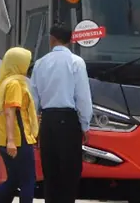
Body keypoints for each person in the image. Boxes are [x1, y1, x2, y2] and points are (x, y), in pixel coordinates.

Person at [30, 24, 93, 203]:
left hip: (47, 119)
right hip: (68, 119)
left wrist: (34, 127)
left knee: (50, 171)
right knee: (70, 171)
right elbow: (83, 97)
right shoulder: (76, 62)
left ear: (52, 39)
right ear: (71, 40)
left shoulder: (40, 63)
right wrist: (85, 125)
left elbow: (33, 98)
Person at [0, 47, 39, 203]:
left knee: (13, 181)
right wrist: (12, 141)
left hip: (8, 139)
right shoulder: (15, 84)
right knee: (28, 180)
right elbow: (10, 113)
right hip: (18, 140)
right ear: (17, 64)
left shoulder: (5, 82)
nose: (29, 67)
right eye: (26, 63)